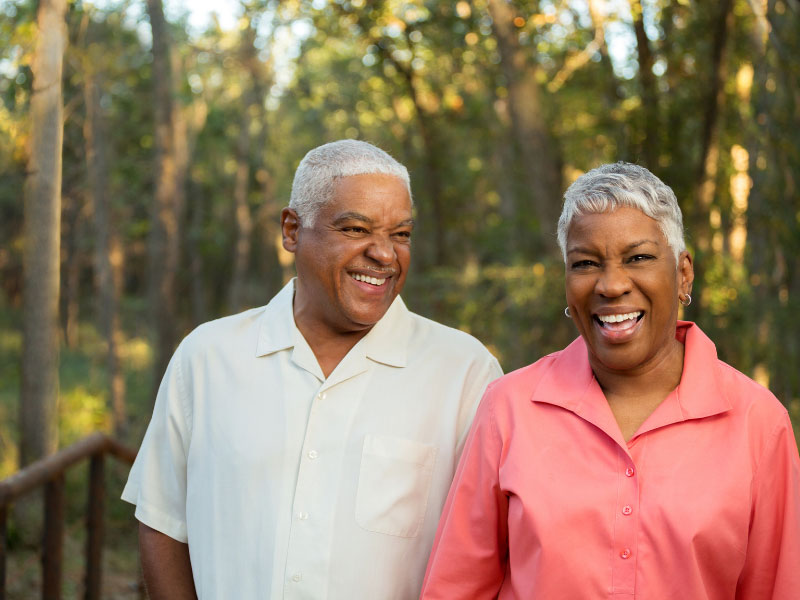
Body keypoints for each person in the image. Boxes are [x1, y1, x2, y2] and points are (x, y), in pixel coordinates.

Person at [122, 139, 502, 599]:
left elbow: (490, 553)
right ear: (291, 230)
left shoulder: (464, 373)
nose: (384, 254)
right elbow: (162, 521)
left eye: (401, 234)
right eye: (356, 228)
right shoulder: (207, 357)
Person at [421, 162, 800, 599]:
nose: (611, 285)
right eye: (585, 263)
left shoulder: (758, 423)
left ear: (683, 274)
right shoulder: (508, 408)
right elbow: (454, 588)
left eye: (638, 258)